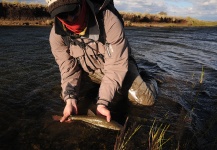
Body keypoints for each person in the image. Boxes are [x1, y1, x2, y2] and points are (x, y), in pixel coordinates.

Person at [46, 0, 158, 123]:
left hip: (118, 65)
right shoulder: (57, 36)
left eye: (73, 11)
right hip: (89, 71)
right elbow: (68, 70)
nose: (70, 18)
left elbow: (115, 67)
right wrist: (70, 99)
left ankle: (149, 78)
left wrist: (103, 102)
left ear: (82, 3)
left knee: (146, 100)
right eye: (62, 15)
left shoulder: (109, 21)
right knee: (67, 95)